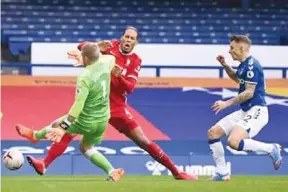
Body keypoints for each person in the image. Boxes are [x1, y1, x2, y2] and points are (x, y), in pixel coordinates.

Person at [16, 26, 197, 180]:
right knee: (67, 133)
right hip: (95, 104)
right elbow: (84, 49)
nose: (128, 40)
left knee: (142, 139)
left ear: (136, 42)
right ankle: (43, 162)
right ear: (121, 37)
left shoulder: (135, 61)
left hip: (116, 107)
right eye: (126, 36)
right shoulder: (111, 48)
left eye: (132, 38)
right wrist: (97, 44)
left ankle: (176, 171)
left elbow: (130, 87)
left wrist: (119, 76)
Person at [208, 35, 283, 181]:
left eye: (232, 48)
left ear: (241, 48)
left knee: (233, 142)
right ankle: (222, 173)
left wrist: (227, 103)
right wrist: (225, 65)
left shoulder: (252, 65)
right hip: (245, 110)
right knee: (213, 133)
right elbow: (237, 78)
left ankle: (271, 148)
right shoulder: (244, 65)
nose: (229, 51)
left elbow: (249, 93)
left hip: (257, 111)